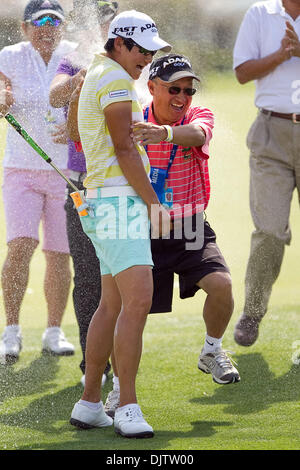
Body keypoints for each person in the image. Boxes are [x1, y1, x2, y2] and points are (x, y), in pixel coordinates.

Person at [102, 53, 241, 418]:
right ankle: (119, 390)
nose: (182, 97)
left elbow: (198, 134)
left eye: (188, 90)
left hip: (191, 224)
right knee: (131, 312)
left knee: (222, 285)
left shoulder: (197, 116)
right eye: (173, 89)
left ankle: (212, 350)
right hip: (142, 230)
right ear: (151, 88)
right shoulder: (132, 116)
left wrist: (162, 133)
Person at [69, 10, 172, 438]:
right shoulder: (113, 79)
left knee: (111, 306)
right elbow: (125, 150)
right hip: (119, 203)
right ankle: (127, 405)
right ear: (120, 43)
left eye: (151, 50)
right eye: (141, 49)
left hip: (103, 201)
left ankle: (90, 402)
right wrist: (153, 204)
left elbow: (77, 133)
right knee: (137, 302)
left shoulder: (98, 71)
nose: (147, 58)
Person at [0, 0, 76, 363]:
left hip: (65, 172)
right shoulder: (10, 56)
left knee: (59, 254)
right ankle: (11, 331)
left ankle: (53, 331)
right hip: (21, 170)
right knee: (21, 246)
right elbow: (1, 87)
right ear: (25, 27)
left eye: (54, 22)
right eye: (39, 23)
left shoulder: (74, 55)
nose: (47, 29)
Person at [49, 0, 118, 388]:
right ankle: (94, 366)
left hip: (123, 185)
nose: (107, 29)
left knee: (126, 279)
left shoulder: (132, 66)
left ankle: (121, 364)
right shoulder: (77, 61)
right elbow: (55, 96)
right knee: (89, 277)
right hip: (79, 183)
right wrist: (81, 78)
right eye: (103, 22)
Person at [233, 0, 300, 346]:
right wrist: (281, 56)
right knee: (270, 231)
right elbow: (242, 72)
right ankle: (253, 311)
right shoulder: (260, 13)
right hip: (270, 134)